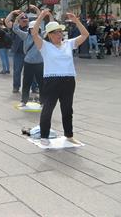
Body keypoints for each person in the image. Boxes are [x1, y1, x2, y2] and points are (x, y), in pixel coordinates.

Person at [31, 9, 89, 146]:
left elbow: (85, 34)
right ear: (49, 35)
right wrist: (41, 17)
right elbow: (34, 33)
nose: (59, 34)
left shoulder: (69, 43)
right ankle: (44, 136)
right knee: (48, 108)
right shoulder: (44, 46)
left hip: (69, 80)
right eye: (56, 32)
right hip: (52, 81)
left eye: (60, 32)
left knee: (67, 109)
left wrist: (76, 21)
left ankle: (69, 135)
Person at [12, 9, 44, 107]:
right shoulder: (25, 36)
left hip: (39, 63)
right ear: (29, 29)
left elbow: (45, 23)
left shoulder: (42, 35)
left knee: (41, 83)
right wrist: (17, 18)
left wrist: (41, 13)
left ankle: (43, 101)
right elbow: (15, 29)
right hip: (28, 62)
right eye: (31, 28)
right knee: (26, 82)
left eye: (34, 28)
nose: (32, 29)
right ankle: (24, 100)